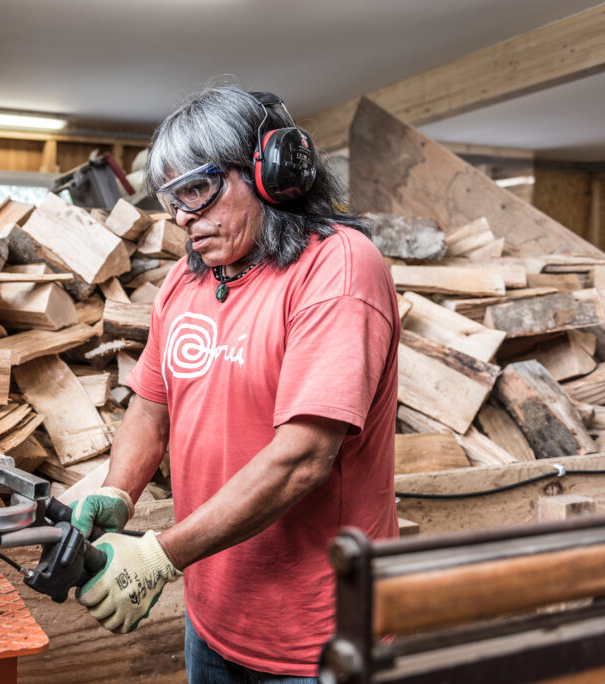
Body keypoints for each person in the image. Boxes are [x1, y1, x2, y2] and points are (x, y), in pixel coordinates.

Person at [70, 85, 400, 683]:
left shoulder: (337, 267)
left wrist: (158, 556)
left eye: (196, 190)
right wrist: (119, 491)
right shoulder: (186, 279)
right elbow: (151, 408)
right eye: (170, 199)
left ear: (271, 171)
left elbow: (302, 458)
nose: (181, 217)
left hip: (320, 633)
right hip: (214, 614)